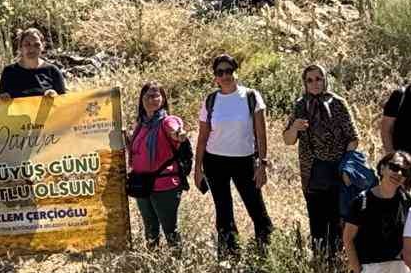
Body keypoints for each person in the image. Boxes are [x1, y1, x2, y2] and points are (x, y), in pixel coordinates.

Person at [193, 54, 273, 255]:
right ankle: (230, 256)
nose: (225, 75)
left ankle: (266, 254)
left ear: (236, 72)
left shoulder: (250, 97)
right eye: (220, 72)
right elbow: (202, 137)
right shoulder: (211, 100)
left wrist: (262, 164)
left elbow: (261, 135)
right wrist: (197, 169)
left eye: (229, 70)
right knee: (223, 211)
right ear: (215, 77)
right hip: (215, 162)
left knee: (256, 209)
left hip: (244, 161)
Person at [282, 62, 361, 253]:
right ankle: (320, 259)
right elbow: (288, 140)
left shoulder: (337, 103)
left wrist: (346, 164)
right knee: (317, 219)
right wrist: (295, 128)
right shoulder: (301, 105)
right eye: (310, 80)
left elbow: (353, 137)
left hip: (337, 168)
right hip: (313, 170)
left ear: (325, 80)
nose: (315, 83)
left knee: (338, 218)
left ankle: (340, 258)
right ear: (305, 83)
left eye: (318, 79)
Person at [128, 80, 187, 249]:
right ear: (141, 99)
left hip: (164, 184)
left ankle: (178, 268)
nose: (151, 99)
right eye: (147, 95)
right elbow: (136, 152)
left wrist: (179, 134)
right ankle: (153, 262)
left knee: (170, 230)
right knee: (150, 229)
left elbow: (175, 130)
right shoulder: (141, 124)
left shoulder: (167, 121)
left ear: (163, 99)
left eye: (156, 95)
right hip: (142, 183)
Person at [0, 28, 66, 99]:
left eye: (36, 45)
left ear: (43, 47)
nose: (32, 49)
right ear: (20, 47)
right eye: (27, 44)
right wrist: (3, 99)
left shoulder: (53, 71)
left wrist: (56, 96)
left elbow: (65, 103)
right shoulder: (9, 72)